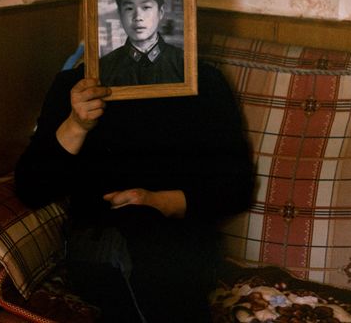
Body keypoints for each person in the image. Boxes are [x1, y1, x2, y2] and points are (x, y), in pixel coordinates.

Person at [15, 56, 255, 322]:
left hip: (181, 242)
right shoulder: (74, 86)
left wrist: (159, 202)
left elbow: (238, 186)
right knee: (137, 252)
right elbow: (30, 188)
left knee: (152, 250)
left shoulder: (206, 82)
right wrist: (75, 125)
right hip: (100, 240)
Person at [99, 0, 184, 86]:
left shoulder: (183, 64)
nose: (138, 17)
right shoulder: (104, 67)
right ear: (120, 13)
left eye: (146, 7)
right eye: (129, 8)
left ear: (160, 12)